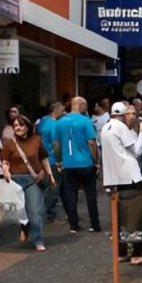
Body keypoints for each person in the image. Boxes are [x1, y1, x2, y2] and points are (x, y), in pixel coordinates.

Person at [101, 102, 142, 267]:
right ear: (122, 115)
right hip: (130, 178)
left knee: (119, 217)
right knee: (138, 216)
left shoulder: (106, 128)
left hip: (113, 179)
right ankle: (137, 254)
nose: (132, 116)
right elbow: (137, 150)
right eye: (129, 113)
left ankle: (122, 252)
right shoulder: (121, 128)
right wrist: (141, 133)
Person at [1, 115, 55, 251]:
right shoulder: (9, 143)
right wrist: (6, 171)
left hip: (33, 180)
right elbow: (5, 161)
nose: (18, 128)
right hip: (15, 181)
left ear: (27, 126)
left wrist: (50, 175)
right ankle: (25, 228)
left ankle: (38, 240)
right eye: (15, 126)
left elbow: (44, 159)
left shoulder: (36, 140)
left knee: (34, 211)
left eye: (20, 125)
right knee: (20, 212)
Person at [54, 96, 101, 233]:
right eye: (85, 106)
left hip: (69, 164)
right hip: (86, 163)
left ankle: (73, 224)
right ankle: (95, 223)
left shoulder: (60, 122)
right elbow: (91, 143)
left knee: (70, 194)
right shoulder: (85, 121)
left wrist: (59, 160)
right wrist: (96, 161)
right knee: (90, 194)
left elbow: (56, 144)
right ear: (81, 106)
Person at [38, 101, 66, 223]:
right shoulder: (54, 124)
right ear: (55, 110)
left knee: (44, 188)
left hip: (41, 158)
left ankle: (43, 212)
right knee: (53, 188)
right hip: (52, 159)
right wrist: (60, 160)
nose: (64, 113)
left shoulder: (42, 120)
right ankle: (51, 215)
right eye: (62, 110)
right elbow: (56, 143)